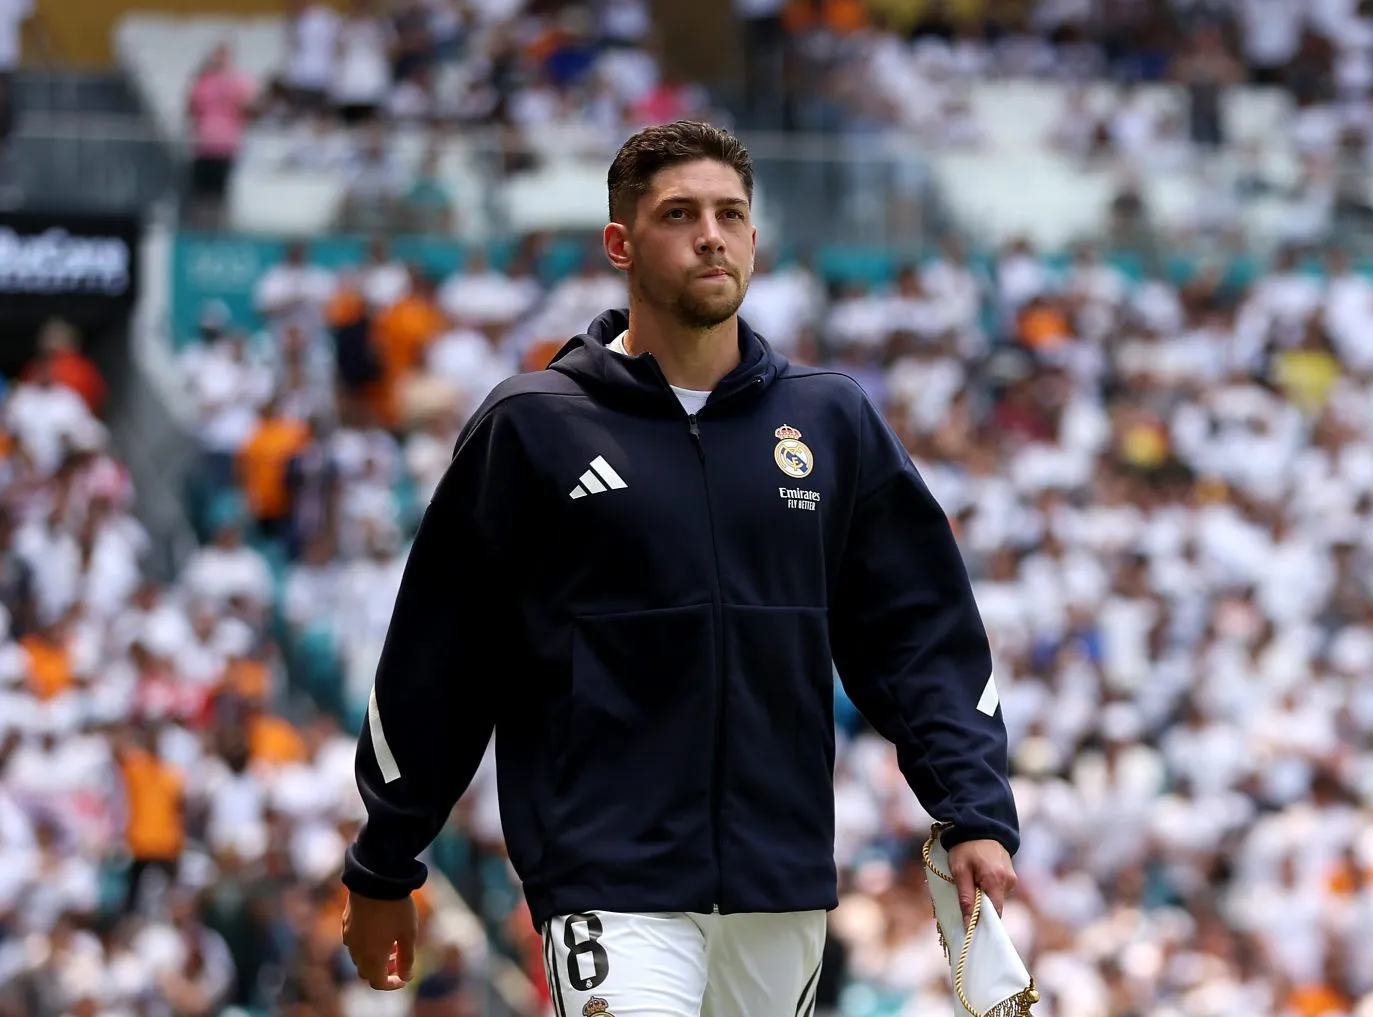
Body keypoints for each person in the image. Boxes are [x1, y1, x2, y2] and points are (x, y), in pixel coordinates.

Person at [337, 120, 1020, 1015]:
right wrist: (385, 860)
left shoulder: (832, 420)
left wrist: (971, 809)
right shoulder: (531, 425)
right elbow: (442, 657)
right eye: (679, 214)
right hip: (605, 876)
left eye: (730, 214)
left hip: (780, 881)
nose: (711, 235)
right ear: (620, 243)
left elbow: (920, 635)